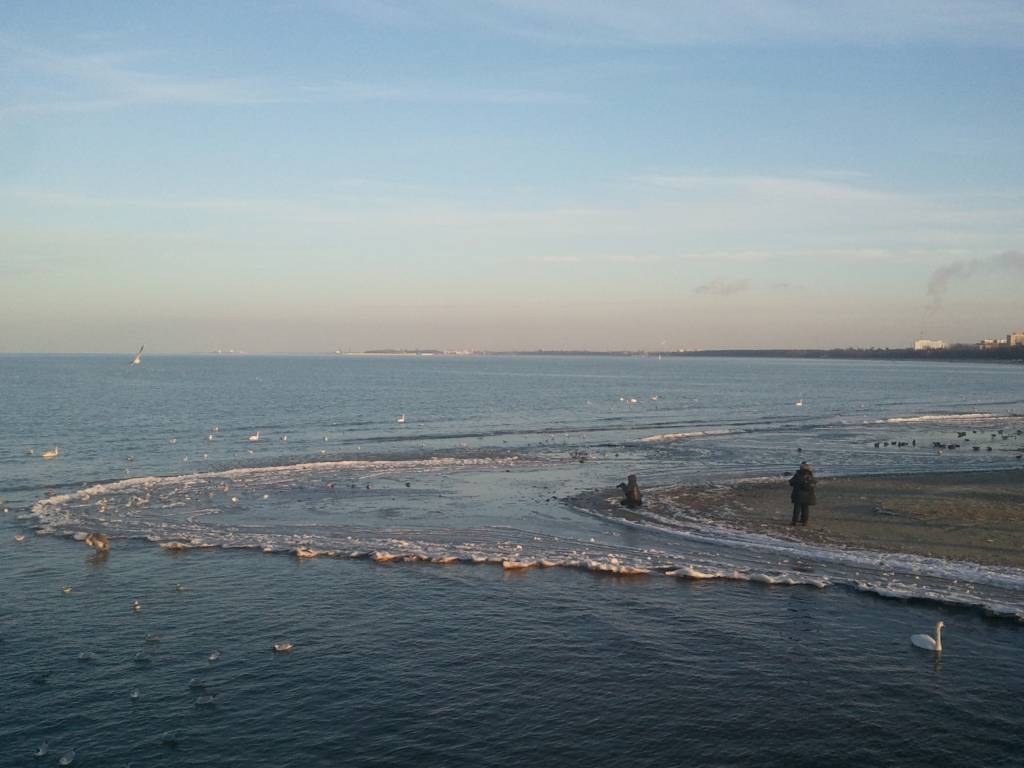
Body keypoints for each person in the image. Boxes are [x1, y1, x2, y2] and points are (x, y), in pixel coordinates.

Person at [788, 462, 816, 526]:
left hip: (798, 494)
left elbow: (791, 482)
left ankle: (794, 521)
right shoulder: (811, 475)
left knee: (797, 509)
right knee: (805, 508)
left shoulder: (798, 475)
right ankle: (804, 522)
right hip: (808, 495)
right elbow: (814, 483)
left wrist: (795, 483)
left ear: (801, 468)